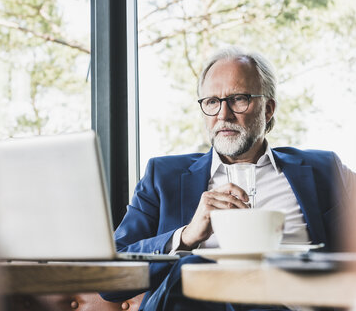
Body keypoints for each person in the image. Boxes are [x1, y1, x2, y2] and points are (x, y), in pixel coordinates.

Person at [101, 46, 356, 311]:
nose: (223, 115)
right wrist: (185, 237)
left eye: (238, 99)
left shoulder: (324, 169)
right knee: (193, 271)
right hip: (191, 304)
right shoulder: (162, 176)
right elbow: (109, 281)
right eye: (212, 102)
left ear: (268, 109)